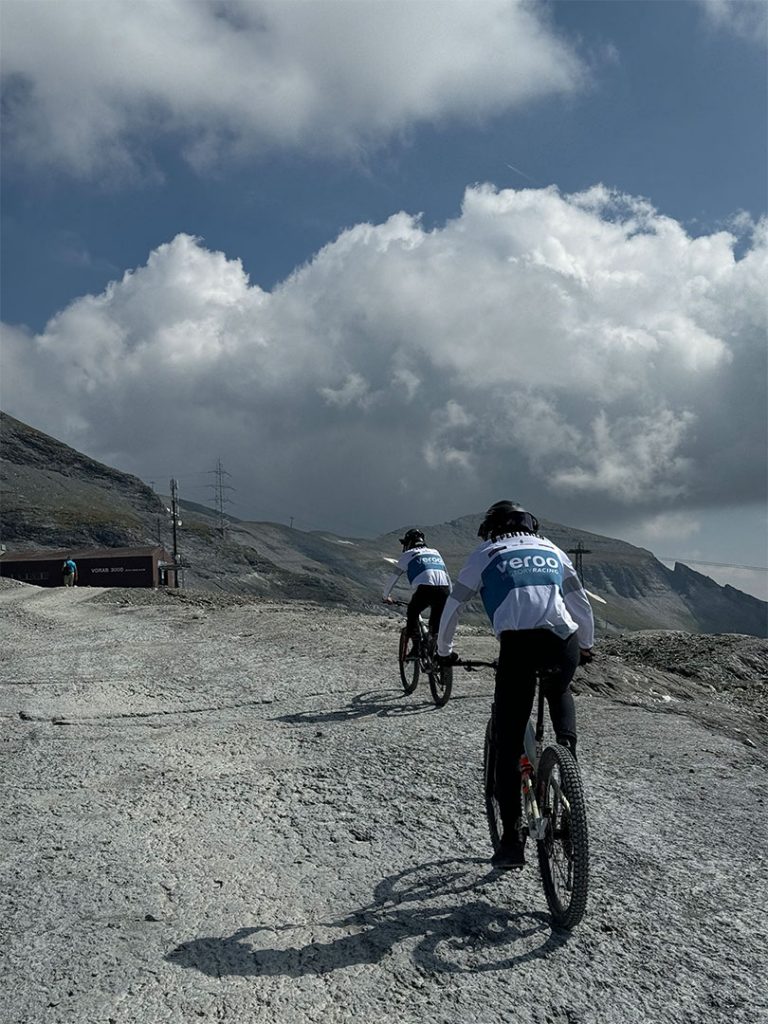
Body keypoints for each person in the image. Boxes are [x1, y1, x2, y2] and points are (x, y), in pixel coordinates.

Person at [437, 501, 594, 870]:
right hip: (562, 641)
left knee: (508, 746)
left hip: (519, 647)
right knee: (559, 689)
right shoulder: (552, 549)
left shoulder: (486, 552)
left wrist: (445, 651)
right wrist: (586, 645)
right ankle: (567, 760)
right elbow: (579, 601)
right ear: (531, 527)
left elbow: (454, 604)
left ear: (494, 529)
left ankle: (510, 842)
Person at [382, 529, 452, 645]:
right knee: (435, 626)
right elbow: (446, 575)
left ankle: (416, 646)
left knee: (412, 611)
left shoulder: (407, 555)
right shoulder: (435, 552)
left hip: (426, 590)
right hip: (444, 590)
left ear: (409, 543)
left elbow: (393, 578)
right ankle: (438, 653)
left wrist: (386, 596)